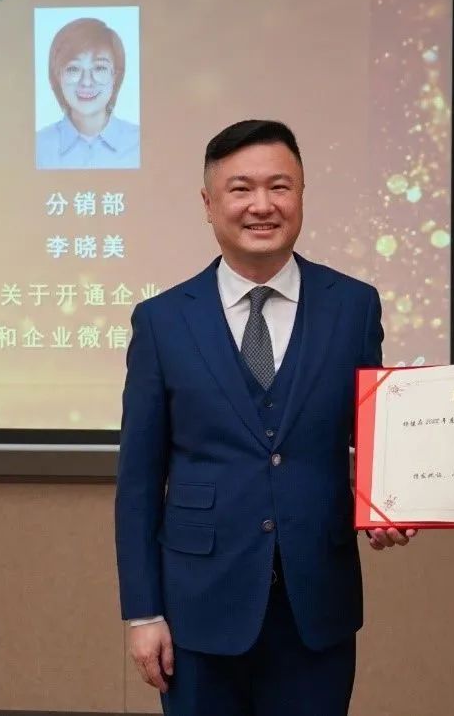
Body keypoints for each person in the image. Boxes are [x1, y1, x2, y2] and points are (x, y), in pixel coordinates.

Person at [114, 119, 411, 715]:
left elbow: (374, 439)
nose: (262, 205)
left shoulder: (353, 306)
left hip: (316, 601)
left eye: (280, 186)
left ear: (301, 195)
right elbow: (139, 482)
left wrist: (391, 505)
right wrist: (143, 613)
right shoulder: (162, 320)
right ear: (208, 204)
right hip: (198, 604)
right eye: (241, 189)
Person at [35, 17, 139, 169]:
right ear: (58, 76)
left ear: (115, 76)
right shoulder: (38, 148)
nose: (86, 82)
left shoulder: (141, 143)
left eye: (99, 68)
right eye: (73, 69)